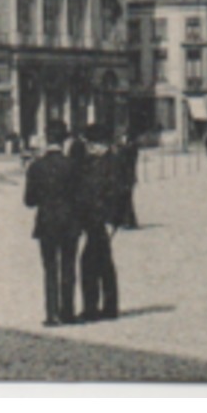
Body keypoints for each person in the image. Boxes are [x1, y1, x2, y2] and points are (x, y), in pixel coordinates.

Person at [24, 119, 80, 327]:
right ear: (64, 139)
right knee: (68, 266)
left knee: (49, 268)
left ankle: (52, 313)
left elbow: (29, 201)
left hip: (46, 222)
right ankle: (68, 311)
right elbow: (80, 196)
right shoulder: (73, 165)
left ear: (47, 139)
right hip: (70, 221)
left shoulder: (36, 166)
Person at [76, 125, 120, 321]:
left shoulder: (110, 163)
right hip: (95, 219)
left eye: (89, 143)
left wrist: (112, 220)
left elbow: (117, 193)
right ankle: (108, 307)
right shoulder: (98, 161)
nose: (87, 147)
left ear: (97, 144)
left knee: (90, 263)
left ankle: (92, 309)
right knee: (103, 263)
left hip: (100, 219)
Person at [115, 132, 141, 230]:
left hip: (127, 177)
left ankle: (128, 221)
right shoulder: (129, 148)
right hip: (126, 177)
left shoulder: (130, 149)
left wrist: (119, 148)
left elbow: (124, 157)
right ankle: (127, 220)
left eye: (123, 137)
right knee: (125, 199)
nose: (122, 139)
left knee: (126, 199)